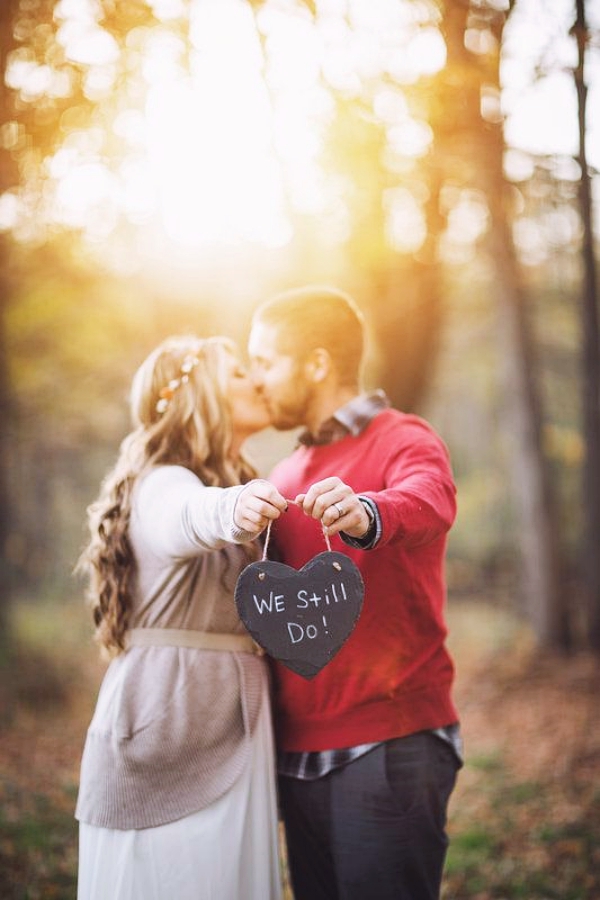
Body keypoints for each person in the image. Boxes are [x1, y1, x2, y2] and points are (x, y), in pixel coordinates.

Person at [248, 285, 462, 900]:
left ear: (316, 363)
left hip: (388, 747)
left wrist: (367, 512)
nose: (258, 380)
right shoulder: (283, 474)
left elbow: (431, 499)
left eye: (266, 361)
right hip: (296, 760)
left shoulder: (403, 437)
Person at [75, 334, 288, 900]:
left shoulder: (220, 479)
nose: (258, 381)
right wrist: (233, 508)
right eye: (240, 372)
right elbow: (185, 518)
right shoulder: (162, 481)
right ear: (202, 395)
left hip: (231, 721)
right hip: (169, 727)